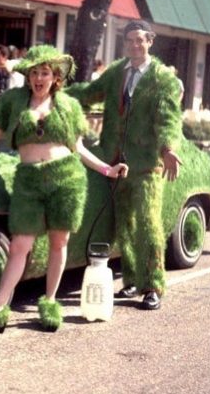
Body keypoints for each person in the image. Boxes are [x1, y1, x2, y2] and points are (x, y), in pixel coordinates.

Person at [0, 45, 128, 335]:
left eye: (44, 73)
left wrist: (107, 170)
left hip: (66, 180)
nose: (38, 78)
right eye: (34, 72)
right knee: (20, 245)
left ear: (55, 77)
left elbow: (79, 147)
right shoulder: (14, 101)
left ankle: (49, 302)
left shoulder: (68, 106)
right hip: (29, 182)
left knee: (59, 243)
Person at [66, 20, 183, 311]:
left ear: (150, 41)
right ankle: (131, 280)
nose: (134, 45)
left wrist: (168, 148)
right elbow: (89, 92)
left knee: (147, 224)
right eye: (129, 40)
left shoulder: (162, 79)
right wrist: (52, 94)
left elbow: (168, 119)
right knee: (124, 225)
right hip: (115, 162)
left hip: (146, 166)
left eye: (139, 40)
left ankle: (153, 286)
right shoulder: (117, 71)